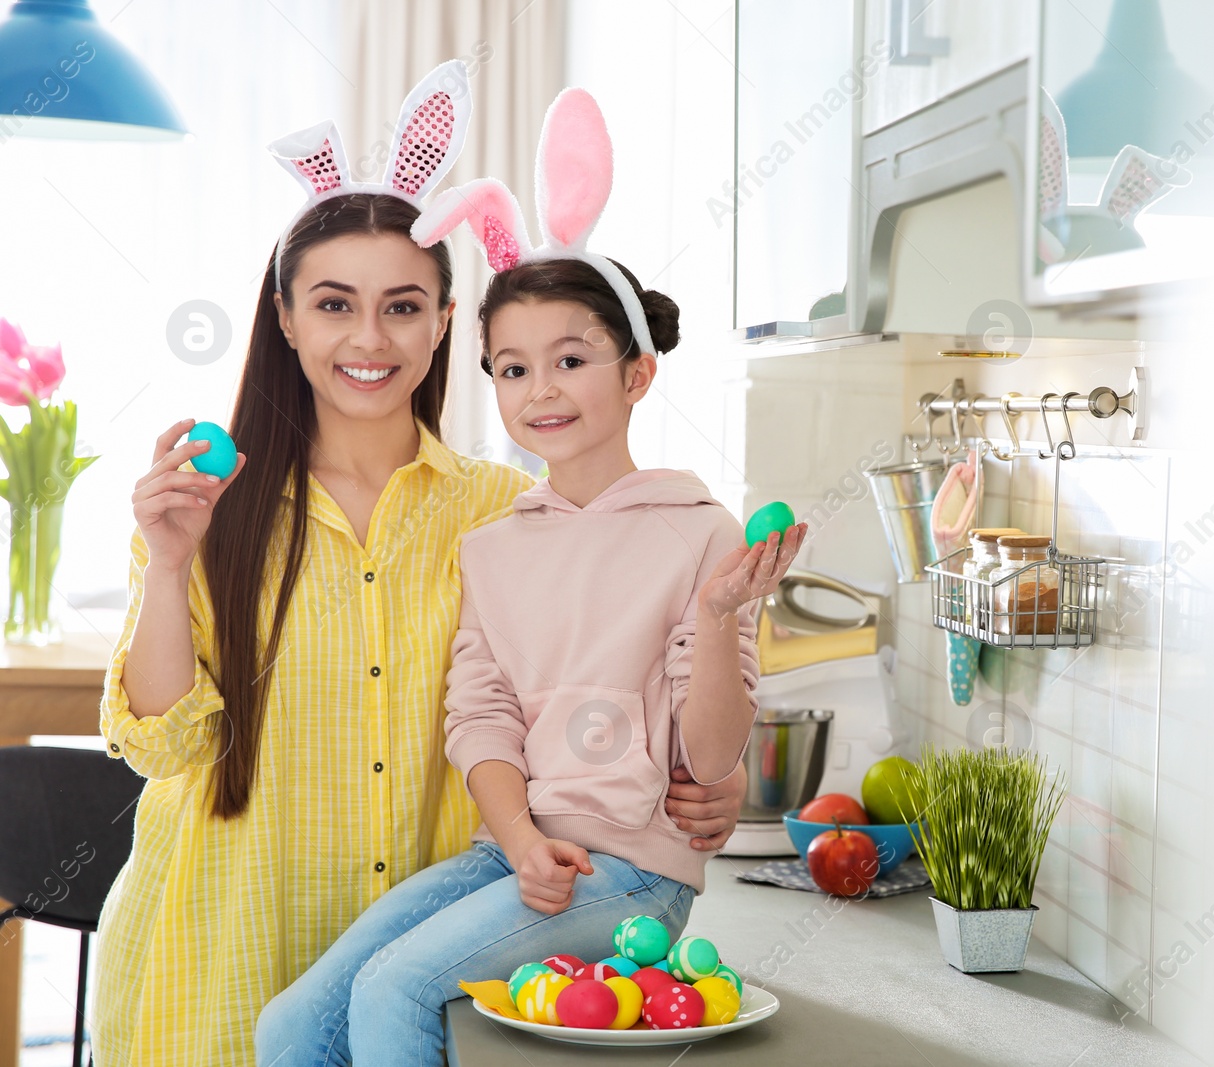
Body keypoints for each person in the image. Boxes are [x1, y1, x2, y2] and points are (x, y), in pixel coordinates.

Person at [90, 65, 747, 1067]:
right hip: (218, 950)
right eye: (333, 303)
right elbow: (160, 746)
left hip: (429, 951)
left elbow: (614, 677)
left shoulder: (503, 512)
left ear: (446, 321)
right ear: (285, 315)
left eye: (403, 305)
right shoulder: (204, 508)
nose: (368, 337)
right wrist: (173, 564)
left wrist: (703, 780)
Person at [254, 87, 805, 1066]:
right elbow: (481, 713)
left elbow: (714, 758)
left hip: (634, 870)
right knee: (291, 1023)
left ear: (636, 374)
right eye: (511, 368)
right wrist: (515, 836)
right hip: (508, 851)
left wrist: (722, 615)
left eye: (569, 359)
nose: (539, 390)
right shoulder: (497, 537)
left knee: (397, 989)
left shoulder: (699, 531)